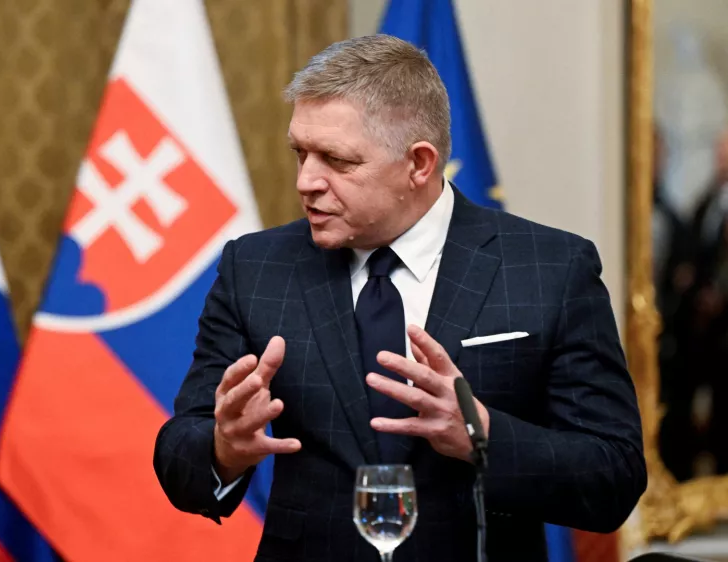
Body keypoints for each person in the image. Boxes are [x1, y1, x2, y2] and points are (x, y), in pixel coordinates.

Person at [153, 34, 646, 562]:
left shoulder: (549, 267)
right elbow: (181, 455)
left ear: (419, 164)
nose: (306, 182)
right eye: (300, 153)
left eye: (336, 161)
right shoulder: (254, 267)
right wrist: (223, 451)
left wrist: (482, 435)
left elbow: (612, 476)